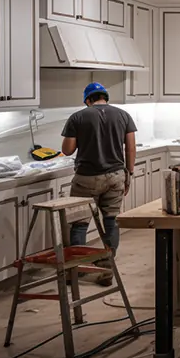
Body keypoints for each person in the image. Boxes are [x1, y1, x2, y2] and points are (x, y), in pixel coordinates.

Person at [60, 82, 137, 286]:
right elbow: (130, 148)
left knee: (79, 224)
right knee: (111, 221)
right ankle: (106, 269)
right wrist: (129, 173)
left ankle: (77, 270)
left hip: (86, 178)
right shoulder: (123, 115)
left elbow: (67, 150)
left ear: (87, 99)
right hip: (115, 176)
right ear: (105, 97)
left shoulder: (77, 117)